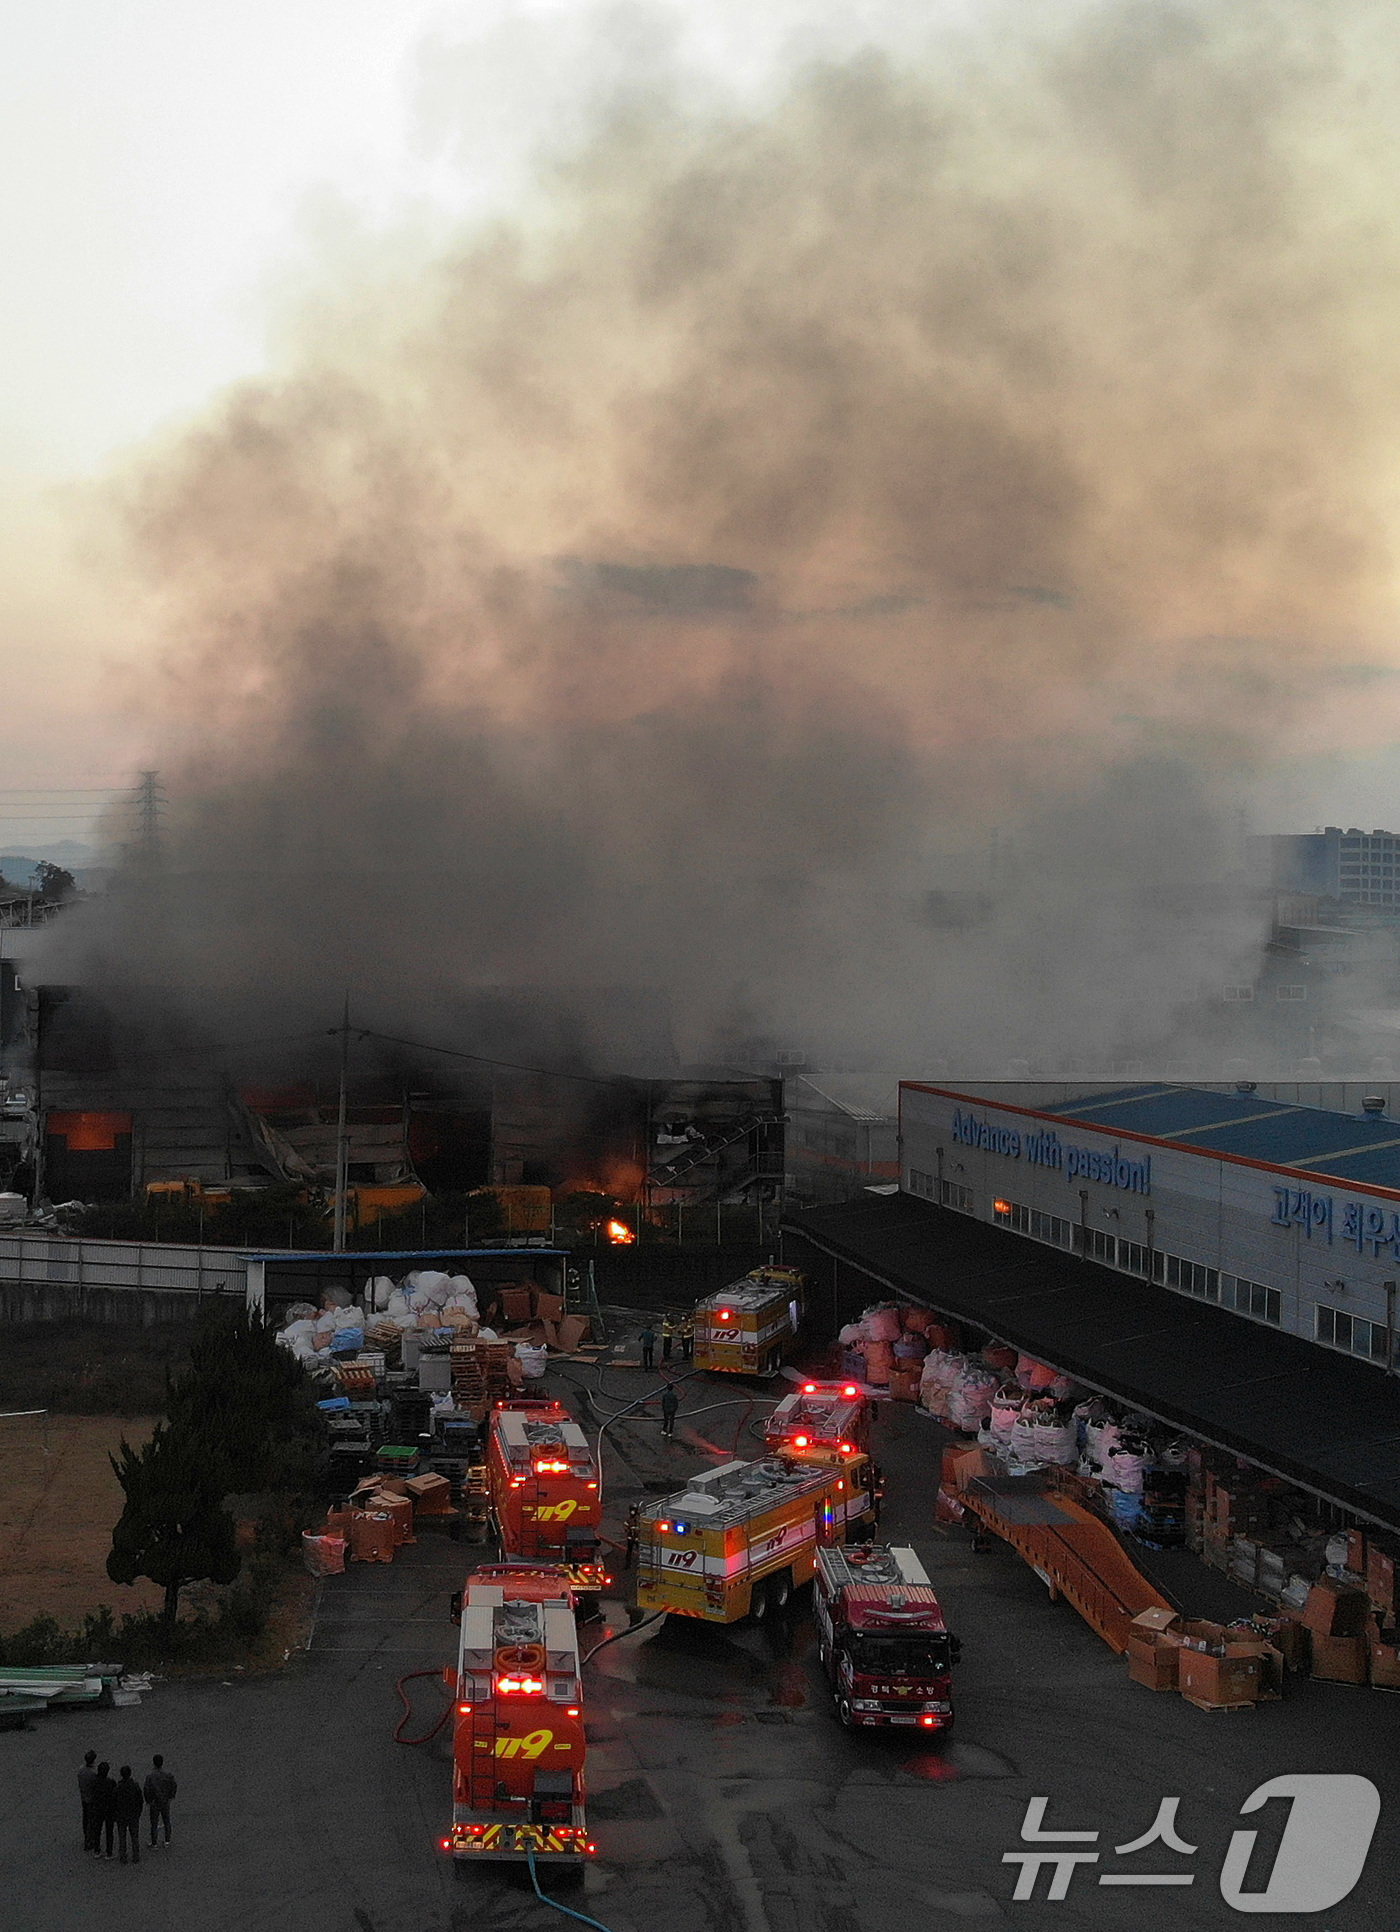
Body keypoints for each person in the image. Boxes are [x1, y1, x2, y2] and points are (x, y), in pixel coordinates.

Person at [111, 1766, 144, 1864]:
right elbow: (140, 1800)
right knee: (134, 1836)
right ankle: (136, 1856)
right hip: (133, 1815)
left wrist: (116, 1814)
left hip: (121, 1815)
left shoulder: (118, 1787)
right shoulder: (135, 1786)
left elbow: (113, 1802)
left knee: (122, 1836)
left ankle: (123, 1856)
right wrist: (138, 1813)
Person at [144, 1754, 177, 1848]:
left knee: (154, 1822)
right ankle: (167, 1840)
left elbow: (147, 1789)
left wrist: (148, 1800)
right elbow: (173, 1785)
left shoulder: (150, 1776)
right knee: (166, 1820)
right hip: (165, 1800)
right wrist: (171, 1796)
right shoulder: (168, 1774)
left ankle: (154, 1842)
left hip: (154, 1801)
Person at [92, 1761, 116, 1859]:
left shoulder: (95, 1781)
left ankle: (97, 1850)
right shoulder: (111, 1782)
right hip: (109, 1809)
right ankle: (109, 1852)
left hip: (98, 1808)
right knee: (109, 1831)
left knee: (97, 1829)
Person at [78, 1750, 99, 1854]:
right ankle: (90, 1840)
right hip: (91, 1799)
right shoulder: (93, 1773)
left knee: (85, 1818)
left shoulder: (81, 1770)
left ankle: (86, 1836)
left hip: (83, 1797)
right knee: (92, 1819)